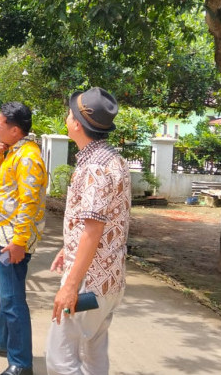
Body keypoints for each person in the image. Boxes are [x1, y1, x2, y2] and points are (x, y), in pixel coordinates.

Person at [46, 87, 131, 375]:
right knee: (93, 354)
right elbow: (96, 222)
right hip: (108, 284)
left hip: (88, 286)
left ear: (77, 125)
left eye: (70, 114)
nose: (67, 117)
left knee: (61, 360)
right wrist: (67, 248)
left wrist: (70, 286)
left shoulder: (93, 168)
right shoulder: (113, 160)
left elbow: (93, 231)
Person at [0, 102, 47, 375]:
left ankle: (21, 363)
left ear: (15, 130)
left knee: (13, 300)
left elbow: (28, 202)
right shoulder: (14, 151)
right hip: (1, 234)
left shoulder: (28, 158)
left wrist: (19, 241)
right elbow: (0, 177)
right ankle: (1, 341)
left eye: (0, 124)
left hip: (11, 238)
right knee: (2, 290)